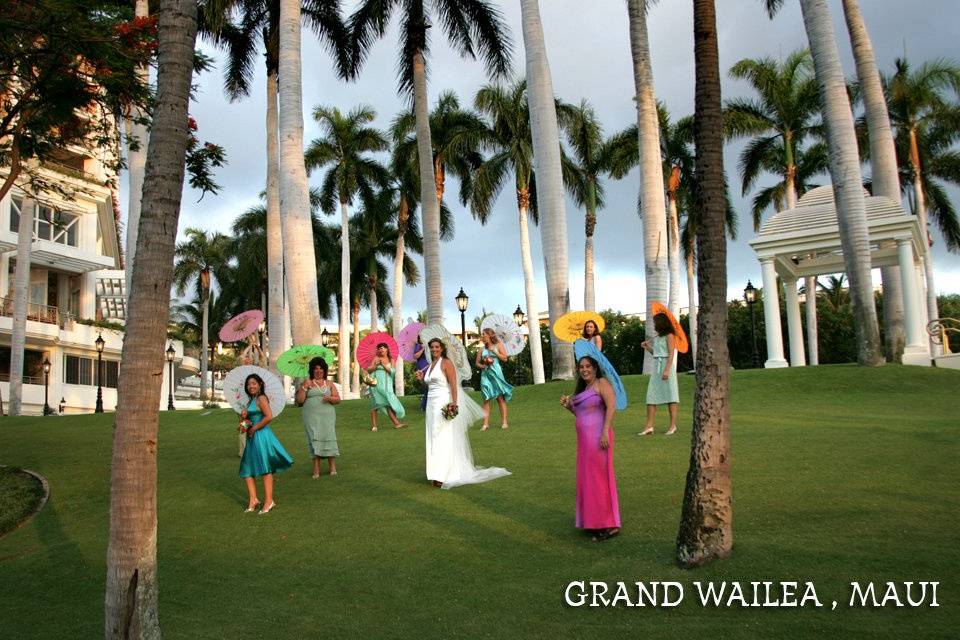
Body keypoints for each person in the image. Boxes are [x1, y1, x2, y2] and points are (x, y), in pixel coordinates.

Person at [420, 338, 510, 489]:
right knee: (433, 437)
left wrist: (454, 404)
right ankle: (436, 473)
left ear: (442, 348)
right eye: (432, 347)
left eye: (436, 347)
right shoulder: (430, 366)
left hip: (443, 403)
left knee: (443, 436)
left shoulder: (446, 363)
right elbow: (428, 386)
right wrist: (420, 380)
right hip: (431, 405)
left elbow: (454, 386)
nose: (434, 349)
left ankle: (446, 474)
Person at [560, 356, 620, 541]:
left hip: (599, 439)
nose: (584, 369)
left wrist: (604, 432)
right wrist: (569, 406)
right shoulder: (584, 388)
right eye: (581, 367)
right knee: (588, 479)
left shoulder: (602, 383)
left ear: (595, 368)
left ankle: (609, 524)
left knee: (600, 479)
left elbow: (611, 406)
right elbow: (581, 414)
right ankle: (592, 521)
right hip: (585, 442)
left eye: (588, 366)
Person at [238, 374, 293, 514]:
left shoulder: (261, 398)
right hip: (252, 437)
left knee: (265, 468)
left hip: (261, 436)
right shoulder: (251, 400)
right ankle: (253, 499)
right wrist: (244, 417)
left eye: (254, 383)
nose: (251, 386)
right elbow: (251, 418)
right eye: (249, 384)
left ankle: (269, 501)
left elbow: (269, 416)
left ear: (260, 384)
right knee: (246, 469)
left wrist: (254, 428)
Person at [295, 357, 340, 479]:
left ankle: (332, 467)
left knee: (329, 436)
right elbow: (299, 401)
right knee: (314, 437)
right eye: (315, 368)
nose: (318, 371)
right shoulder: (307, 383)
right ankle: (316, 468)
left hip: (327, 416)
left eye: (321, 368)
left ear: (324, 370)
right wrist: (304, 387)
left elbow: (338, 399)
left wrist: (330, 398)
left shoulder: (329, 384)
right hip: (310, 416)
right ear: (312, 370)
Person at [639, 313, 679, 435]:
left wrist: (667, 370)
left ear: (661, 322)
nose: (654, 324)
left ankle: (672, 426)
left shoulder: (670, 335)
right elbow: (656, 353)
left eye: (656, 322)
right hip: (656, 367)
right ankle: (649, 427)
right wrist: (647, 347)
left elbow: (671, 354)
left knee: (671, 395)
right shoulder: (657, 337)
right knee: (651, 396)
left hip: (667, 366)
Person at [475, 328, 513, 430]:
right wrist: (483, 366)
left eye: (484, 334)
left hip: (496, 374)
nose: (482, 336)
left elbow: (505, 358)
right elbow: (477, 363)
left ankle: (504, 422)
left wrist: (495, 352)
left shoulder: (498, 345)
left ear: (490, 335)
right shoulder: (482, 349)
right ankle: (485, 424)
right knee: (486, 398)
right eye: (482, 335)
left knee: (500, 398)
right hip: (485, 375)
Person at [367, 343, 406, 431]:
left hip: (387, 386)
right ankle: (374, 426)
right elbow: (369, 370)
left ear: (387, 349)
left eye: (382, 348)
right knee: (375, 404)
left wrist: (383, 365)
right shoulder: (376, 359)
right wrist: (375, 365)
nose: (381, 350)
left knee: (389, 403)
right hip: (376, 385)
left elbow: (392, 372)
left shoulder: (391, 360)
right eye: (379, 349)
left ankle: (396, 423)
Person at [413, 337, 430, 411]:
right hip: (422, 367)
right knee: (426, 386)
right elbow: (415, 356)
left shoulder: (430, 344)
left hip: (430, 365)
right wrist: (423, 349)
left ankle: (425, 405)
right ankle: (424, 405)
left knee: (430, 386)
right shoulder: (418, 346)